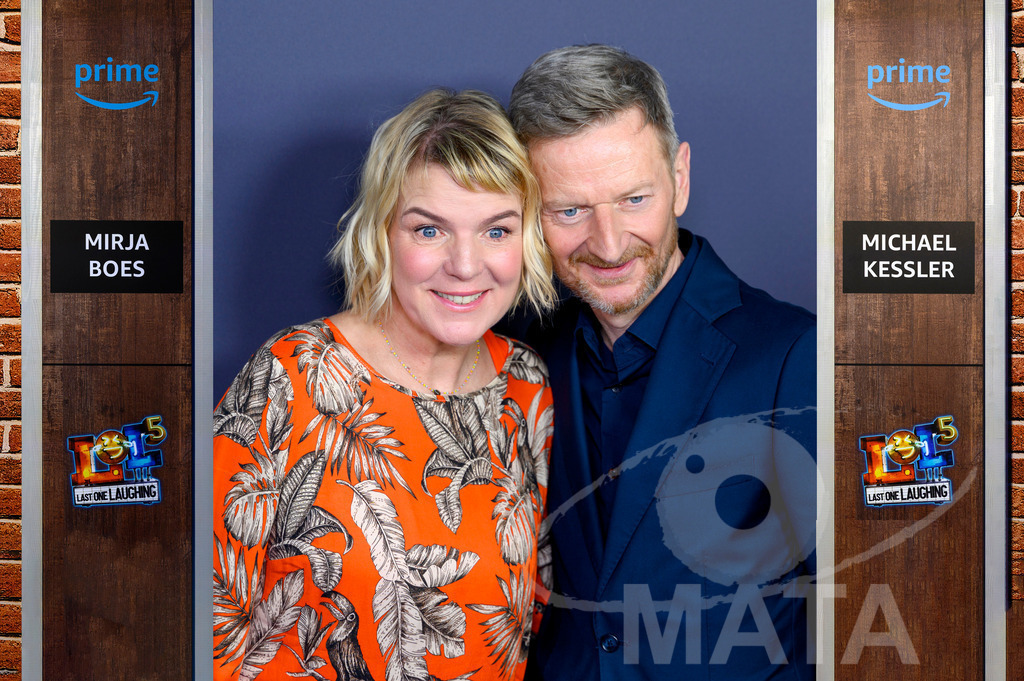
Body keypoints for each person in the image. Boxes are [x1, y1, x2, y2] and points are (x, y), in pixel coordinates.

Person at [212, 89, 558, 681]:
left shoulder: (527, 384)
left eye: (497, 231)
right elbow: (208, 610)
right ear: (382, 234)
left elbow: (527, 618)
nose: (466, 264)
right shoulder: (293, 373)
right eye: (430, 231)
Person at [508, 45, 816, 679]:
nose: (609, 243)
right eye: (569, 211)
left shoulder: (794, 354)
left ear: (680, 179)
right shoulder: (519, 355)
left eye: (633, 199)